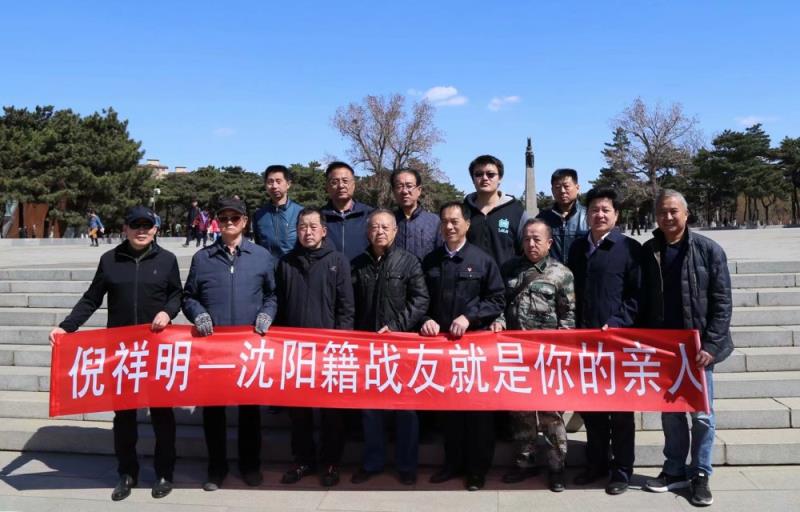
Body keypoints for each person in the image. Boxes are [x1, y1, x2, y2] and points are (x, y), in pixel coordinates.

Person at [50, 206, 182, 501]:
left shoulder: (167, 260)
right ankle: (127, 473)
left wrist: (167, 311)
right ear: (125, 229)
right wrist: (67, 327)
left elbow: (176, 294)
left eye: (147, 225)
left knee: (163, 414)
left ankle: (164, 472)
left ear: (155, 229)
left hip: (157, 349)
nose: (141, 231)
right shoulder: (110, 260)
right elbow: (91, 298)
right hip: (122, 352)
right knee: (124, 416)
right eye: (135, 225)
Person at [641, 189, 733, 507]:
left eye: (673, 211)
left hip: (699, 349)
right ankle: (674, 469)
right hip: (665, 348)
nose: (668, 217)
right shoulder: (649, 251)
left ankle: (701, 474)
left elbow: (722, 302)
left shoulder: (708, 250)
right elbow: (642, 299)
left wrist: (712, 344)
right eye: (662, 212)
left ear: (686, 213)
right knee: (671, 414)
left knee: (702, 415)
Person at [182, 197, 278, 491]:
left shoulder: (261, 256)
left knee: (250, 412)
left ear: (244, 222)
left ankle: (250, 465)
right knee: (213, 412)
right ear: (217, 222)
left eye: (234, 218)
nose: (228, 223)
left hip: (249, 348)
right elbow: (188, 297)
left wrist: (267, 313)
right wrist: (198, 314)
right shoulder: (203, 258)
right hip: (214, 349)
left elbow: (272, 295)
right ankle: (216, 467)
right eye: (223, 218)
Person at [421, 201, 505, 491]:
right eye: (444, 221)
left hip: (475, 351)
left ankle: (477, 470)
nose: (449, 226)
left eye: (455, 221)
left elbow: (497, 298)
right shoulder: (431, 261)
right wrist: (426, 319)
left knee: (478, 414)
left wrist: (470, 317)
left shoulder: (482, 260)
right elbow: (420, 299)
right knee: (449, 412)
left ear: (467, 224)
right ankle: (452, 464)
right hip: (442, 350)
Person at [567, 187, 643, 495]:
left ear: (616, 215)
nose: (599, 215)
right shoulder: (577, 248)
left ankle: (622, 470)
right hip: (584, 342)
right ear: (586, 215)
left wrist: (617, 322)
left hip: (616, 342)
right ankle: (595, 464)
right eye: (594, 210)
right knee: (591, 408)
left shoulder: (629, 248)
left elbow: (637, 295)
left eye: (605, 210)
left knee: (620, 411)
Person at [491, 219, 575, 492]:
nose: (531, 244)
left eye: (537, 239)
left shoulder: (561, 274)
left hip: (547, 357)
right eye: (527, 239)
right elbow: (498, 303)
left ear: (549, 242)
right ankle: (524, 463)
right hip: (516, 355)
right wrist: (499, 321)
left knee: (551, 414)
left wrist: (561, 353)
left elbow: (568, 316)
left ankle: (556, 468)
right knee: (521, 413)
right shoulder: (509, 269)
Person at [274, 207, 355, 487]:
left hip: (329, 351)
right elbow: (279, 307)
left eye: (312, 227)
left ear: (323, 231)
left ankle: (331, 462)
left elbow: (346, 308)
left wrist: (341, 344)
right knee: (299, 412)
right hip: (295, 352)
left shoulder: (337, 261)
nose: (307, 232)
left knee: (331, 412)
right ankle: (302, 460)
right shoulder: (286, 263)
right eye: (302, 227)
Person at [350, 209, 430, 486]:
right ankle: (372, 462)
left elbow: (420, 300)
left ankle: (406, 465)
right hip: (367, 348)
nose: (380, 232)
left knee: (405, 408)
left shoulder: (409, 262)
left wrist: (396, 326)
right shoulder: (357, 264)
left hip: (401, 346)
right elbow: (349, 303)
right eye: (375, 227)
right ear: (367, 232)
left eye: (385, 227)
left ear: (395, 231)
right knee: (370, 408)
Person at [463, 155, 527, 269]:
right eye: (479, 174)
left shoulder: (516, 211)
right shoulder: (463, 211)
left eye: (490, 174)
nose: (485, 178)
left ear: (500, 178)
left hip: (507, 278)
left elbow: (526, 249)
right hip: (470, 277)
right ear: (472, 179)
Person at [321, 161, 373, 261]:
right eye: (335, 182)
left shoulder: (369, 214)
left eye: (345, 181)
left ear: (353, 185)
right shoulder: (319, 217)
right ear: (327, 187)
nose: (341, 186)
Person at [537, 168, 589, 264]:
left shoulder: (588, 216)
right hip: (552, 271)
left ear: (577, 188)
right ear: (552, 190)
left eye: (566, 186)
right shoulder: (543, 218)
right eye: (557, 187)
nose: (562, 191)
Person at [253, 164, 304, 259]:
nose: (274, 186)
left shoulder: (301, 212)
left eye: (278, 181)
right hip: (267, 265)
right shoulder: (259, 215)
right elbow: (258, 244)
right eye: (270, 182)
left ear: (288, 184)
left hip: (294, 265)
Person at [391, 168, 441, 260]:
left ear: (419, 190)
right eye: (399, 186)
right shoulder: (388, 221)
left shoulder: (435, 221)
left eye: (409, 186)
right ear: (393, 191)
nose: (405, 191)